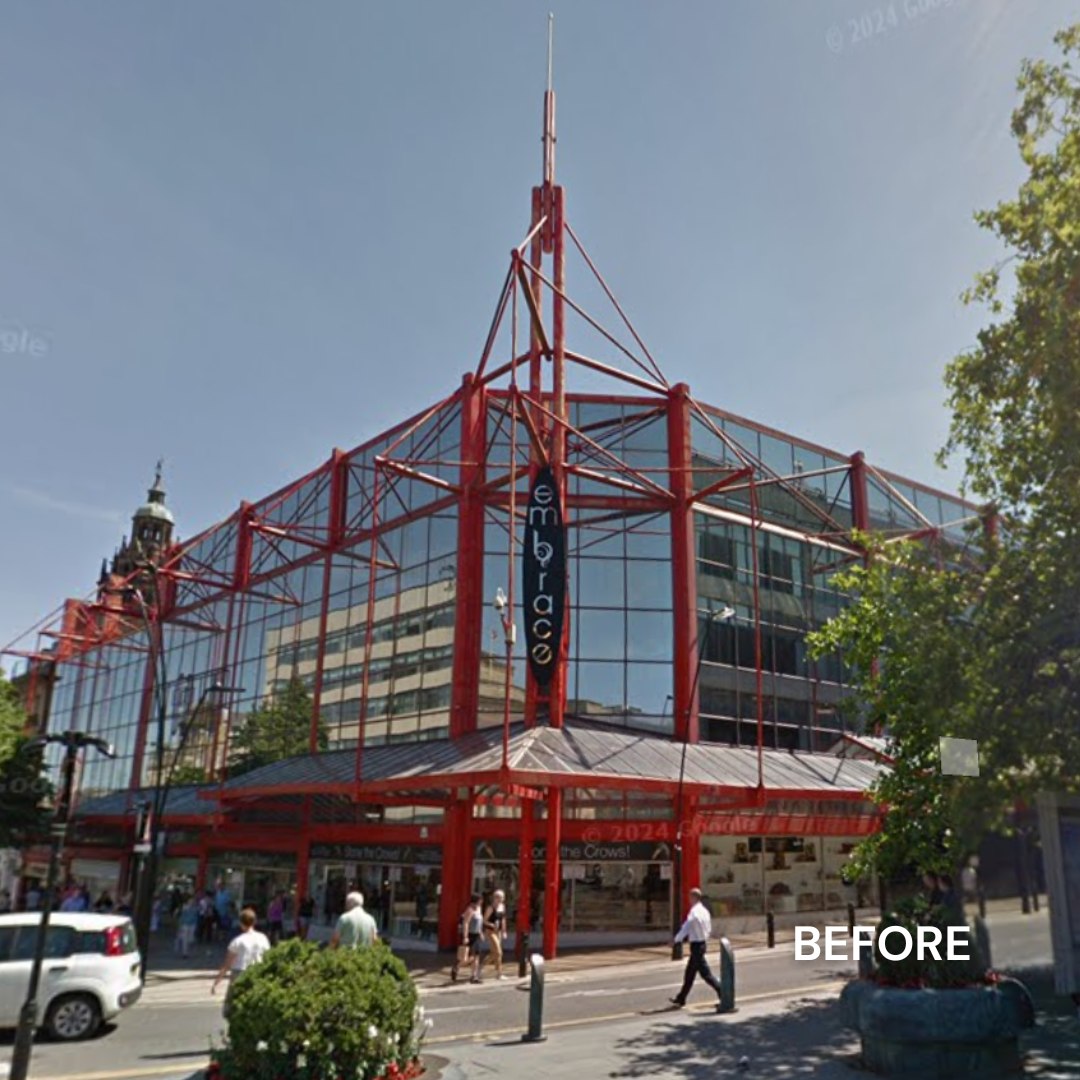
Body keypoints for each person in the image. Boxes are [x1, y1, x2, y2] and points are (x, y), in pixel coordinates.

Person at [669, 887, 725, 1011]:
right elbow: (709, 928)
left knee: (705, 974)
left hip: (696, 945)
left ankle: (722, 991)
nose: (689, 899)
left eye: (690, 897)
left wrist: (676, 939)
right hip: (702, 943)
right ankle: (681, 998)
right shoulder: (705, 911)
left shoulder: (694, 912)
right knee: (689, 974)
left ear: (694, 897)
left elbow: (686, 927)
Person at [212, 908, 271, 1019]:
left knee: (232, 1004)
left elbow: (227, 964)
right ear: (254, 922)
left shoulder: (237, 941)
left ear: (241, 923)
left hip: (240, 972)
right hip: (257, 971)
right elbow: (268, 957)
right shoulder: (263, 938)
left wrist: (217, 981)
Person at [483, 889, 508, 980]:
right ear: (494, 898)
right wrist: (491, 924)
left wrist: (504, 931)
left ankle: (480, 966)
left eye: (502, 897)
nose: (500, 899)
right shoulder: (490, 908)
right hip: (491, 932)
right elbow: (484, 920)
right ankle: (499, 973)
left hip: (499, 931)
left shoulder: (502, 907)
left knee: (494, 954)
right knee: (499, 952)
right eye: (498, 897)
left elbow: (503, 919)